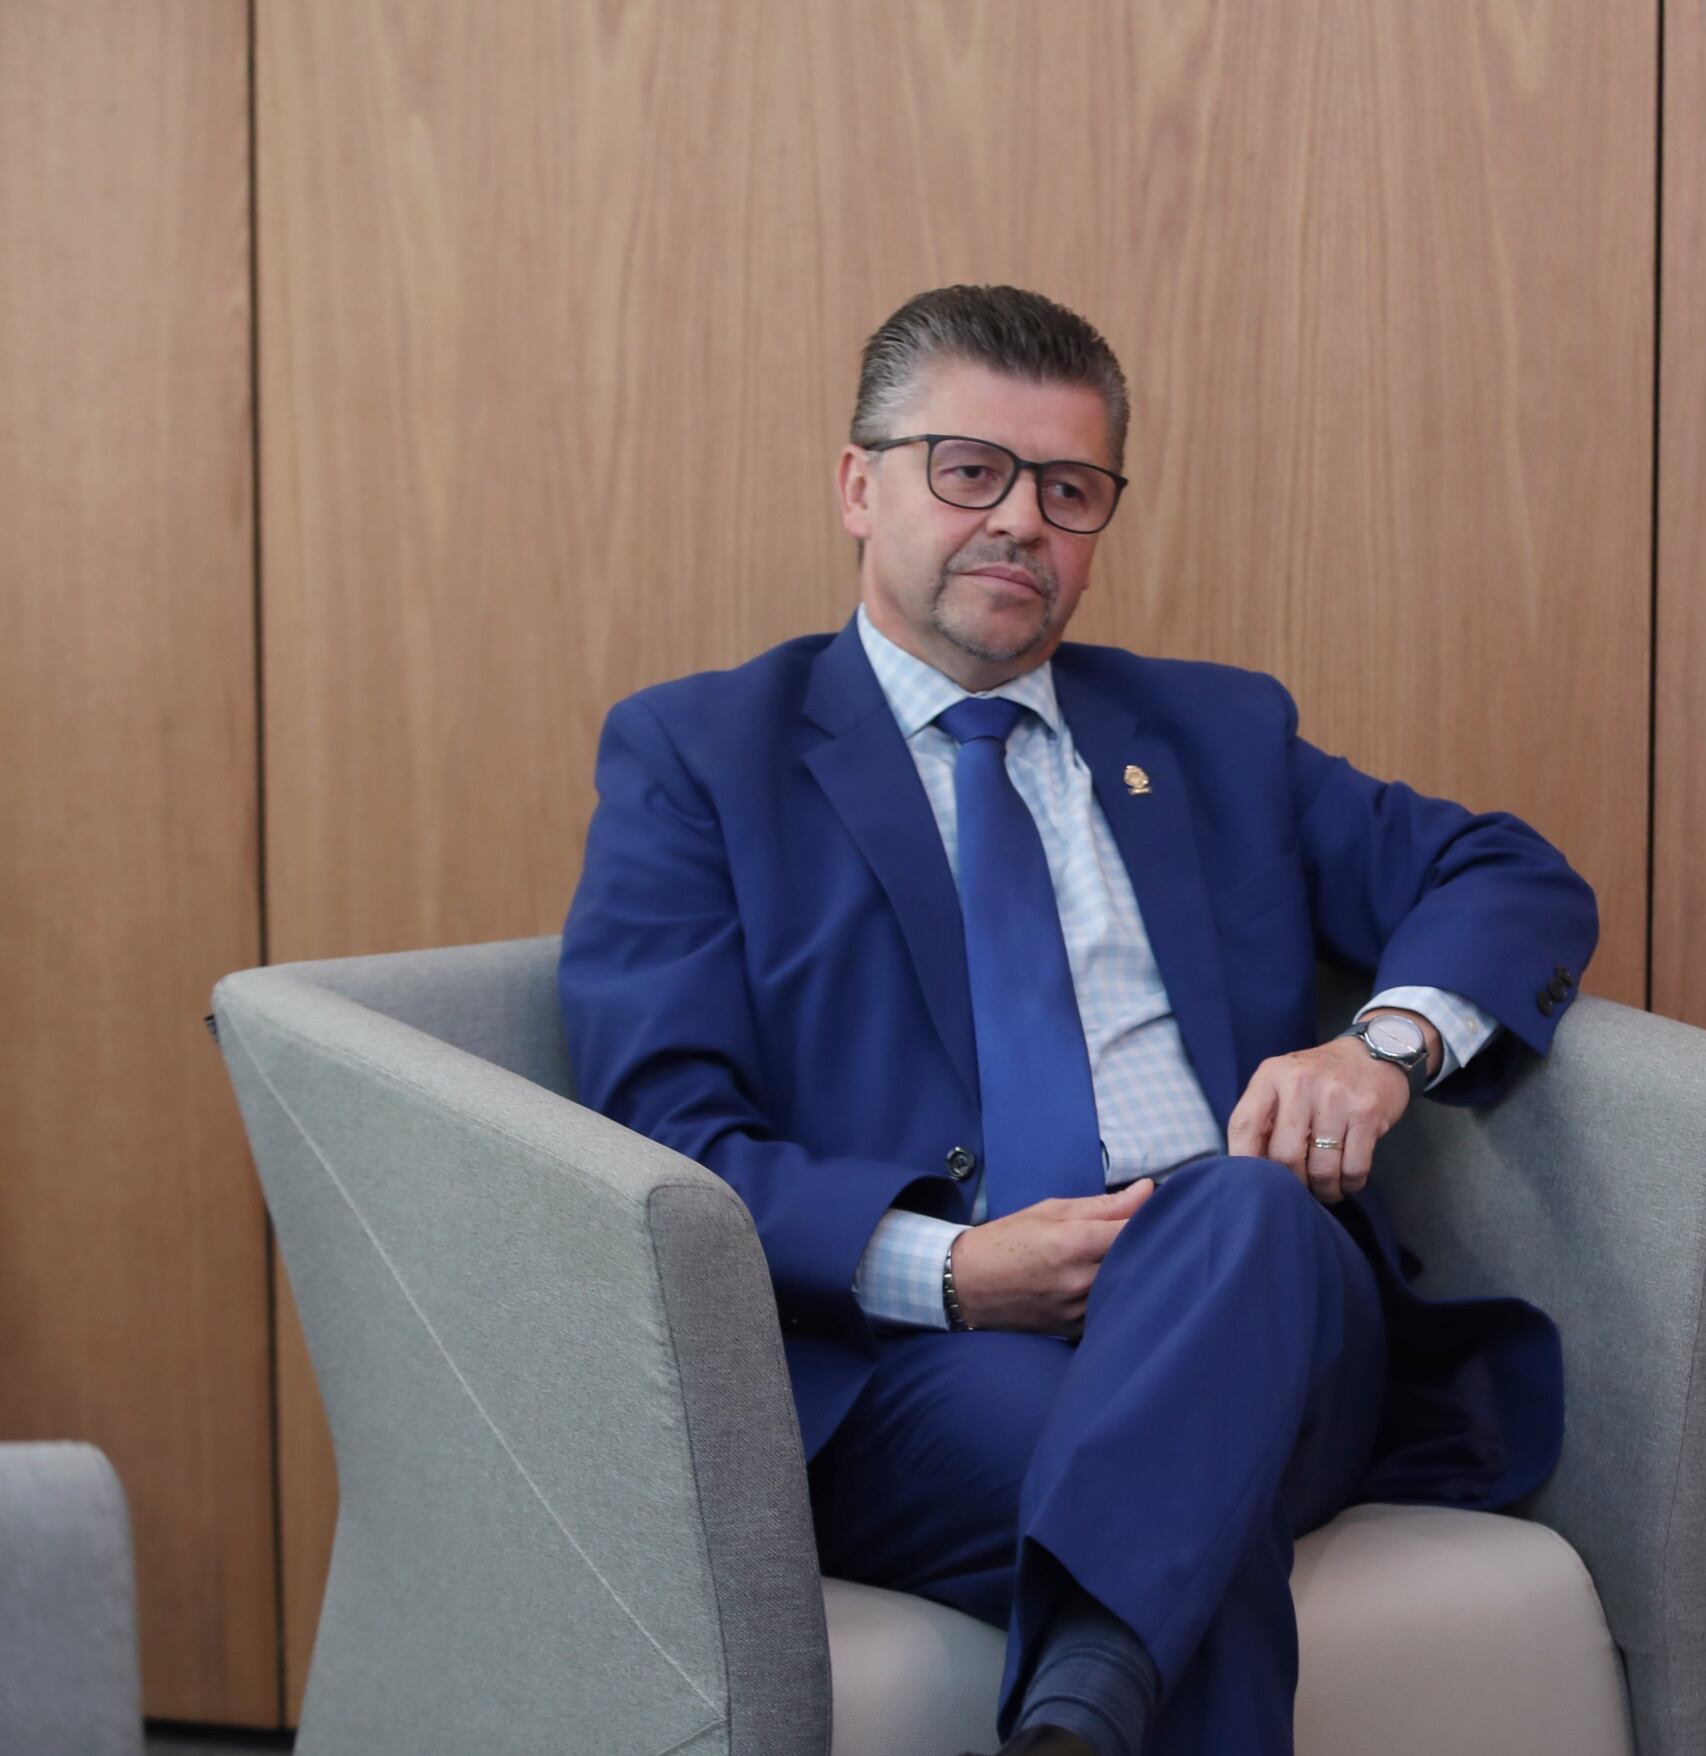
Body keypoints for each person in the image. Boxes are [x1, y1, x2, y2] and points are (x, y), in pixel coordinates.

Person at [559, 284, 1597, 1756]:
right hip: (924, 1360)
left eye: (1069, 488)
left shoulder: (1212, 735)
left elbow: (1502, 872)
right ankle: (1087, 1709)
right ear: (861, 486)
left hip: (1259, 1307)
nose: (1020, 523)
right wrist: (954, 1270)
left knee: (1241, 1212)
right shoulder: (701, 757)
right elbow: (665, 1128)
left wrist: (1380, 1051)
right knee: (1151, 1489)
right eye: (968, 470)